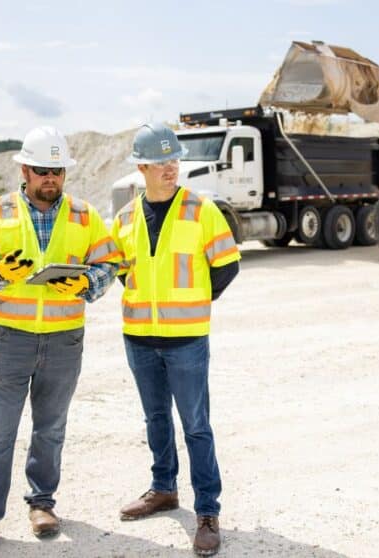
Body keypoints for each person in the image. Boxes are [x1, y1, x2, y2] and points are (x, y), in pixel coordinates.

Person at [0, 126, 122, 558]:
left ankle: (42, 504)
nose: (52, 178)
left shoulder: (85, 215)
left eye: (59, 171)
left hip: (64, 339)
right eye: (43, 170)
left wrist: (85, 283)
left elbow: (110, 264)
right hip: (8, 338)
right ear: (25, 170)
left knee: (50, 428)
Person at [111, 123, 240, 556]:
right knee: (155, 420)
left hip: (186, 338)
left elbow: (226, 265)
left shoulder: (202, 209)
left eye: (175, 160)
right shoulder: (126, 217)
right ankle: (163, 489)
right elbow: (120, 270)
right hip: (139, 338)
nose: (171, 169)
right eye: (162, 162)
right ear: (142, 167)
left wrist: (194, 302)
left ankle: (207, 511)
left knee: (196, 426)